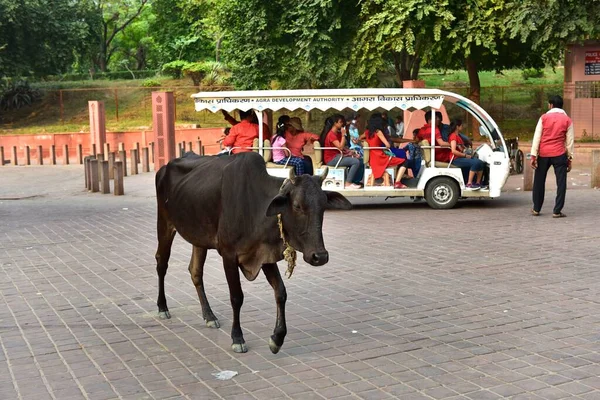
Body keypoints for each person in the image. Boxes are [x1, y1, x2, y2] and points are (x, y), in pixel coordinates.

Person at [530, 95, 574, 218]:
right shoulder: (567, 120)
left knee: (539, 181)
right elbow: (570, 141)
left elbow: (537, 137)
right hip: (560, 154)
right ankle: (557, 210)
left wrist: (534, 155)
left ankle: (536, 208)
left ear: (551, 105)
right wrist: (570, 158)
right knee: (561, 183)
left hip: (543, 154)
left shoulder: (543, 118)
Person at [364, 113, 409, 189]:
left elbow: (360, 138)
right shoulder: (378, 132)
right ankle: (397, 182)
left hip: (372, 158)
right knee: (405, 161)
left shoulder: (367, 132)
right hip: (380, 157)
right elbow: (387, 145)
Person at [320, 114, 364, 189]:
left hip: (338, 156)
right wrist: (343, 135)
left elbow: (344, 145)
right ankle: (348, 183)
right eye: (340, 122)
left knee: (360, 160)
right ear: (335, 123)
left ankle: (354, 180)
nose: (342, 124)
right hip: (331, 159)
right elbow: (340, 147)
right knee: (355, 162)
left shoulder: (337, 133)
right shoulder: (331, 134)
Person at [448, 120, 484, 190]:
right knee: (475, 163)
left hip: (461, 157)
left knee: (480, 163)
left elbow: (462, 147)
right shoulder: (453, 136)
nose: (462, 127)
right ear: (457, 127)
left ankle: (478, 183)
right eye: (461, 125)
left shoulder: (458, 136)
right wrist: (465, 156)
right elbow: (453, 150)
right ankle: (469, 183)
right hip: (456, 159)